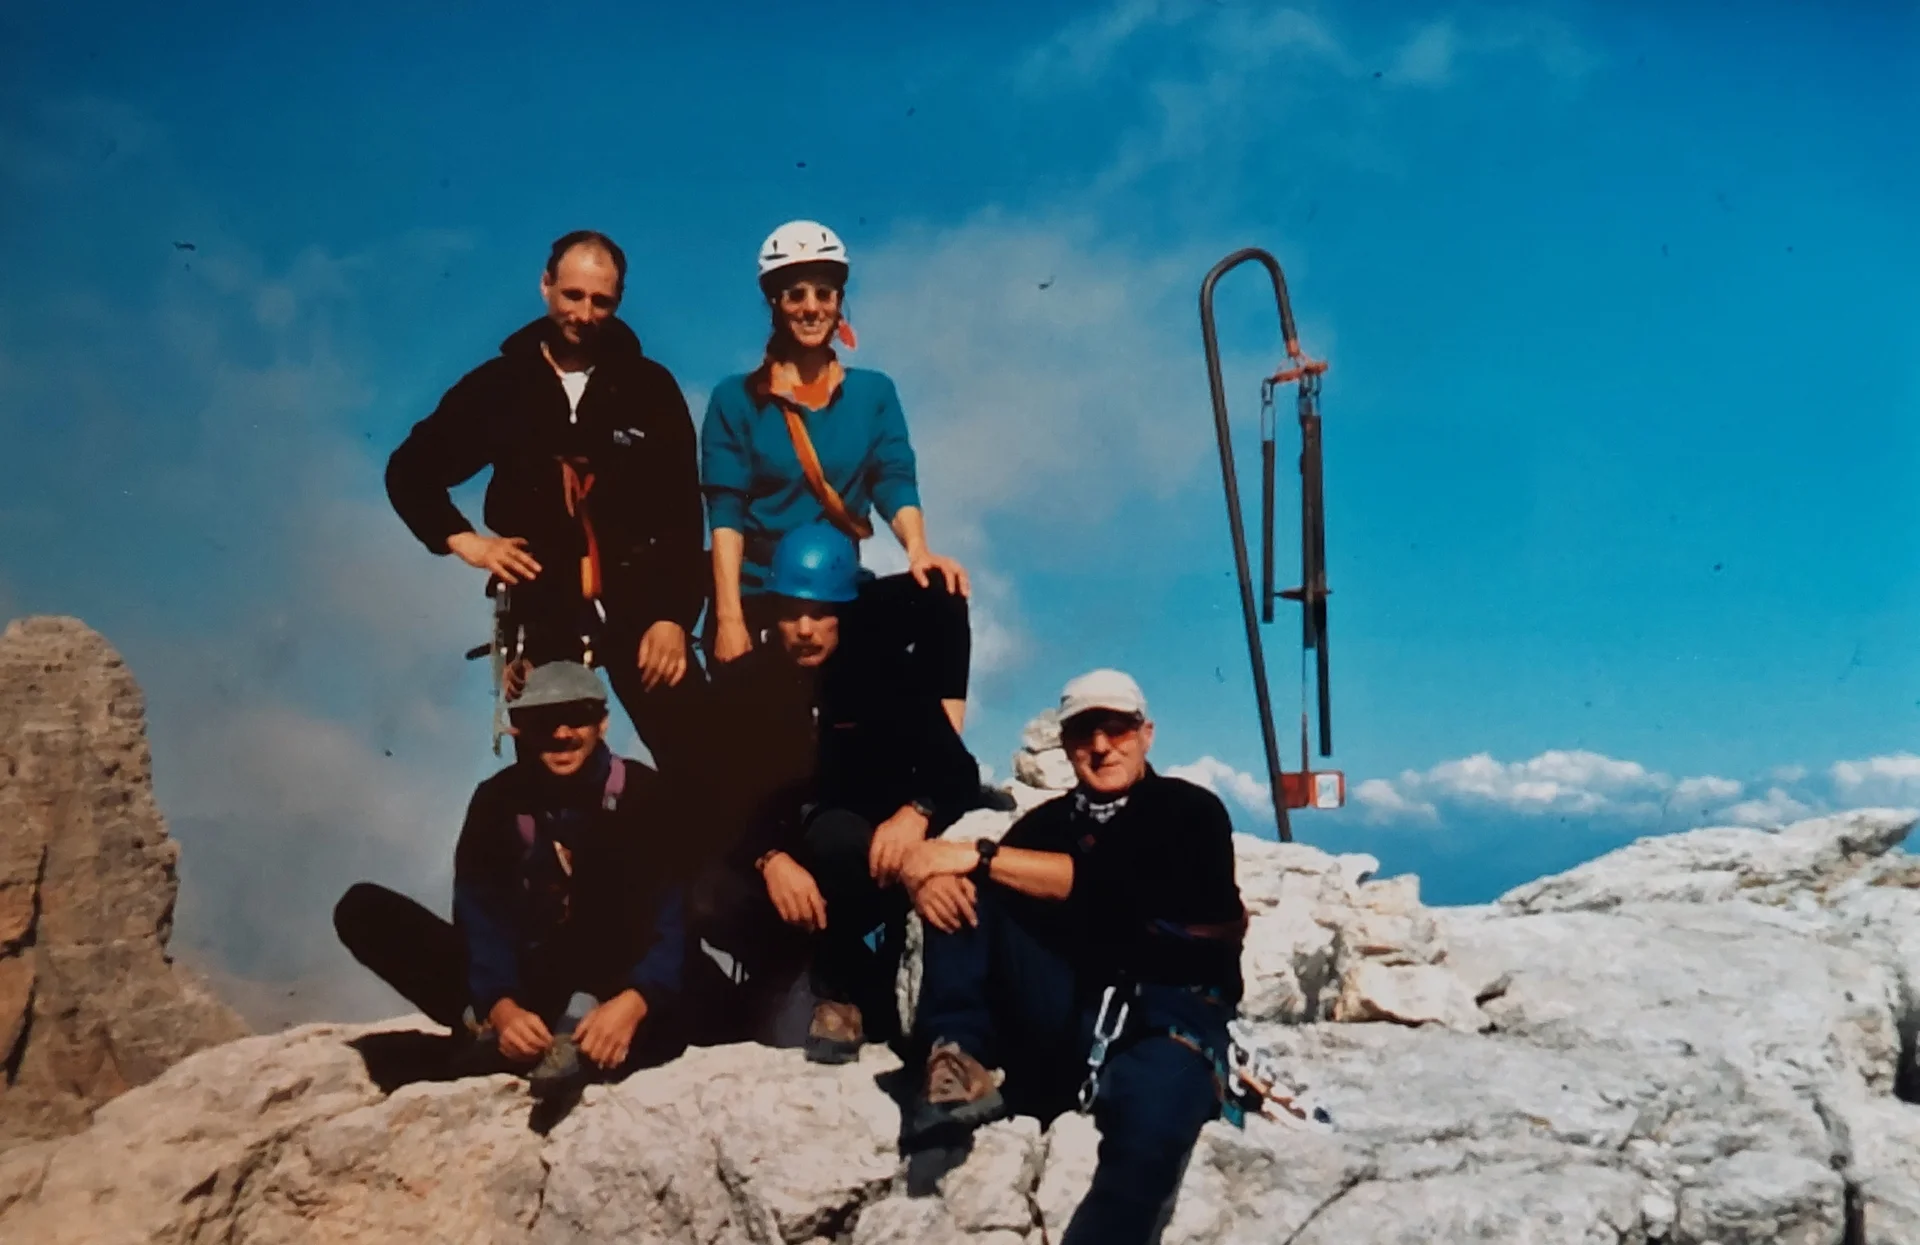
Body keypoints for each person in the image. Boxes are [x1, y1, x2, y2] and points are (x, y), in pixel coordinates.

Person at [898, 670, 1245, 1244]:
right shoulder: (1048, 825)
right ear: (1065, 743)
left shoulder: (1191, 811)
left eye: (1117, 730)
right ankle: (958, 1055)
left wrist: (971, 856)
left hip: (1168, 1011)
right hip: (1071, 1005)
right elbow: (989, 885)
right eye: (1085, 733)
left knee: (1149, 1130)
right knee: (969, 889)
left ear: (1146, 734)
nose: (1102, 746)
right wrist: (929, 883)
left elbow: (1109, 886)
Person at [385, 230, 709, 775]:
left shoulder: (649, 387)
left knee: (698, 757)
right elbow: (410, 470)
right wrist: (467, 543)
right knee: (551, 768)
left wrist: (674, 617)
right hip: (542, 604)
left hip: (643, 601)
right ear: (545, 286)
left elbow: (681, 512)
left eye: (601, 301)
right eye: (572, 296)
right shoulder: (500, 384)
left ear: (618, 302)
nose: (584, 313)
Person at [687, 523, 985, 1064]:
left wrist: (916, 813)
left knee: (837, 837)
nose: (805, 629)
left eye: (822, 613)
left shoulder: (886, 672)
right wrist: (768, 858)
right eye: (791, 612)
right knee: (707, 896)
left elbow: (958, 772)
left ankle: (843, 995)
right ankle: (786, 973)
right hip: (784, 858)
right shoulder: (745, 686)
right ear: (771, 612)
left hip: (864, 854)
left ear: (844, 613)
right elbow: (715, 794)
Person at [333, 661, 689, 1098]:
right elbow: (480, 915)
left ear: (602, 723)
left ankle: (569, 1037)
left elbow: (674, 914)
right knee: (364, 909)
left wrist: (636, 1002)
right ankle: (491, 1028)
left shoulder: (643, 794)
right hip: (531, 979)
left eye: (576, 718)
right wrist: (502, 1007)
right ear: (520, 728)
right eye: (543, 723)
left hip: (619, 981)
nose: (561, 734)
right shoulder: (497, 801)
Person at [699, 220, 971, 732]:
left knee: (943, 594)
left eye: (823, 293)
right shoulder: (735, 399)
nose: (810, 307)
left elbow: (893, 476)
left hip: (839, 594)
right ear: (775, 303)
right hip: (763, 597)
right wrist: (729, 618)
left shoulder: (874, 393)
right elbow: (726, 510)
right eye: (794, 294)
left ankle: (949, 756)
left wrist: (918, 551)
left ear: (839, 300)